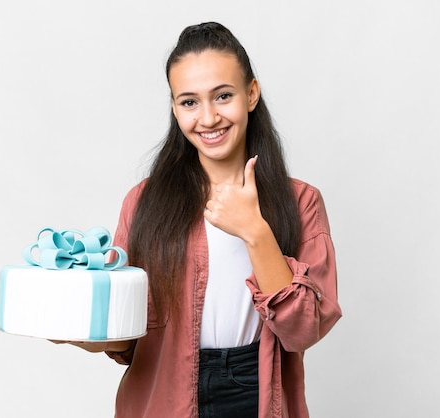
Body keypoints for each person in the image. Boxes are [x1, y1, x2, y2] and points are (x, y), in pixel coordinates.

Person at [65, 21, 342, 417]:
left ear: (251, 93)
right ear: (175, 108)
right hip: (165, 389)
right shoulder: (143, 203)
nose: (208, 117)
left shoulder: (301, 201)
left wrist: (254, 230)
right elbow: (124, 340)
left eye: (223, 96)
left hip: (256, 388)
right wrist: (78, 332)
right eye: (189, 102)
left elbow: (301, 332)